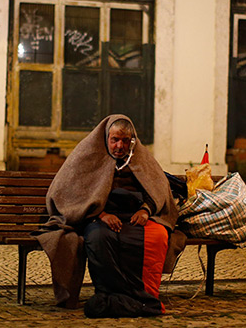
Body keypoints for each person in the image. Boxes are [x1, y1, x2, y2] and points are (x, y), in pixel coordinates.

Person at [34, 114, 182, 318]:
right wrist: (100, 214)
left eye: (125, 140)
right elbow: (66, 191)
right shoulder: (87, 154)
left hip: (133, 217)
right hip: (96, 219)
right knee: (98, 238)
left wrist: (146, 210)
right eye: (115, 140)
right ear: (106, 138)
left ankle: (142, 296)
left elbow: (159, 190)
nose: (120, 146)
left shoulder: (141, 157)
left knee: (153, 236)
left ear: (132, 140)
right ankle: (110, 294)